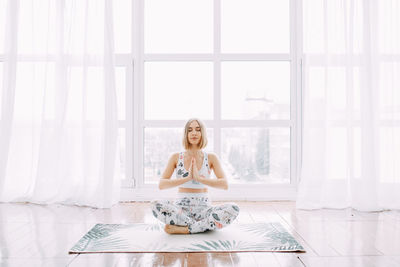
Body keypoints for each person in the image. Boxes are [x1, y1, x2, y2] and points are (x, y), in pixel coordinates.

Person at [151, 118, 240, 234]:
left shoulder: (211, 157)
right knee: (155, 204)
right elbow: (162, 185)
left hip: (204, 210)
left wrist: (199, 179)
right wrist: (187, 178)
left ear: (202, 133)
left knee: (234, 208)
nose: (194, 133)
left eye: (198, 130)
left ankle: (186, 228)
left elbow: (224, 184)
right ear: (186, 134)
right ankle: (202, 226)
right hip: (181, 211)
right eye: (190, 130)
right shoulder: (176, 157)